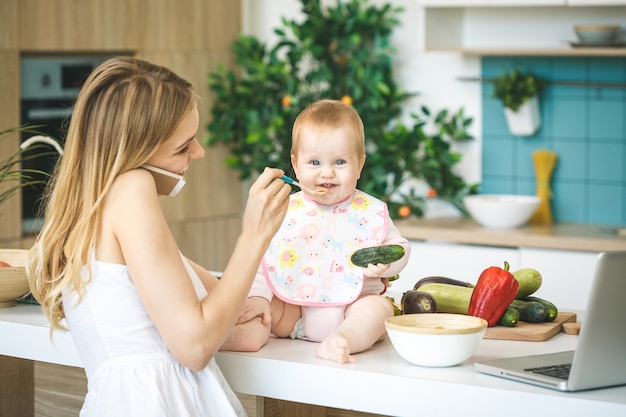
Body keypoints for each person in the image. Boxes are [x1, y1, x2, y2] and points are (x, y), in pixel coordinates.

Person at [26, 56, 291, 417]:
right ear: (136, 155)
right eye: (183, 147)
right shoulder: (132, 187)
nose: (197, 152)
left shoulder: (94, 214)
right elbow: (195, 345)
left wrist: (243, 321)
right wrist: (255, 236)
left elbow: (227, 310)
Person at [221, 99, 410, 364]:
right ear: (295, 165)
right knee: (260, 310)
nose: (327, 172)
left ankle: (343, 339)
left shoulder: (369, 211)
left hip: (351, 308)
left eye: (340, 161)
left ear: (360, 164)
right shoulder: (286, 209)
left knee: (379, 310)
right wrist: (261, 298)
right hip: (293, 312)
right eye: (314, 162)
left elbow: (400, 248)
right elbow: (266, 260)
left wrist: (387, 263)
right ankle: (239, 336)